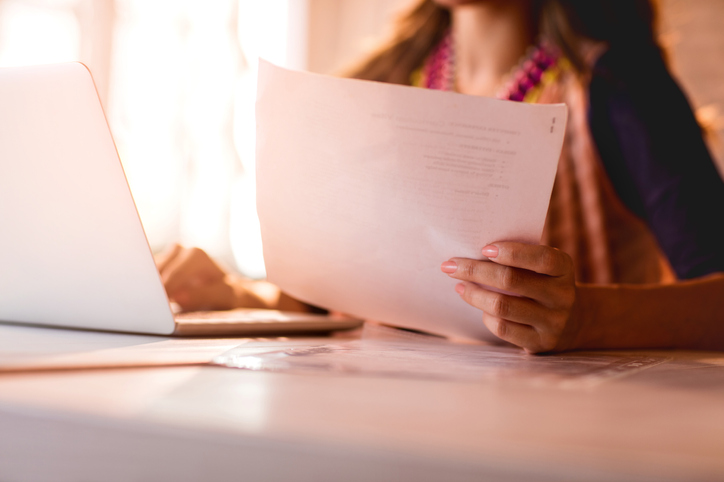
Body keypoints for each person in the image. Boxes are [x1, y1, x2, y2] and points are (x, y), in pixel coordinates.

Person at [156, 0, 724, 353]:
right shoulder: (374, 86)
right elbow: (335, 300)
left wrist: (588, 319)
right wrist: (236, 295)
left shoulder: (621, 88)